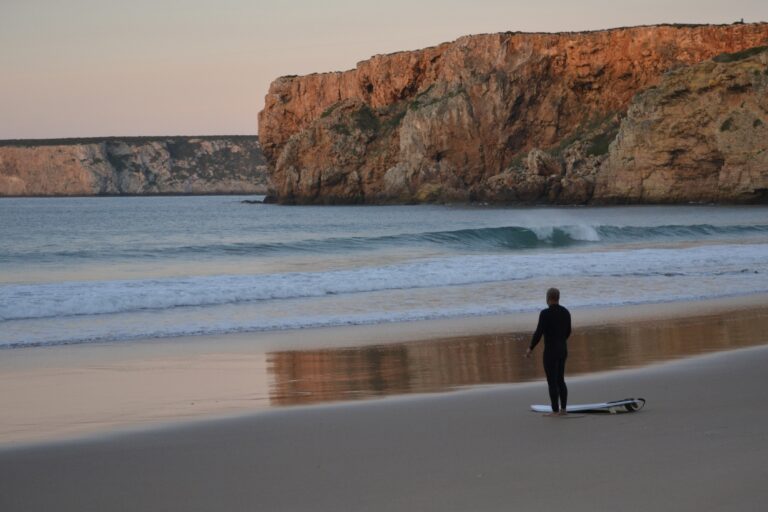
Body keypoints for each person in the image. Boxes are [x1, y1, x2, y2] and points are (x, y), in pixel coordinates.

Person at [525, 288, 571, 416]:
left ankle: (555, 410)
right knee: (560, 380)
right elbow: (568, 331)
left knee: (552, 381)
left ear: (548, 298)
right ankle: (564, 410)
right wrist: (561, 341)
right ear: (558, 298)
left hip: (550, 352)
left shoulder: (545, 314)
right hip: (563, 350)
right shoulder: (566, 312)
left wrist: (530, 348)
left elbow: (538, 333)